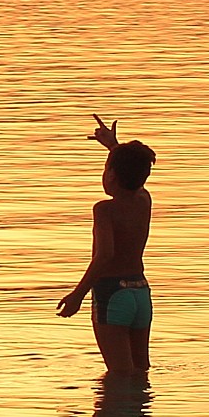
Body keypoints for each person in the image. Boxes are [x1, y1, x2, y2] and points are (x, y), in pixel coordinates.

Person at [56, 116, 156, 376]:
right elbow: (133, 173)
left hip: (112, 295)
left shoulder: (105, 210)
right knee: (140, 372)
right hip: (140, 293)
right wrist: (114, 147)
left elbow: (105, 255)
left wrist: (78, 294)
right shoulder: (144, 201)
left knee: (120, 377)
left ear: (110, 175)